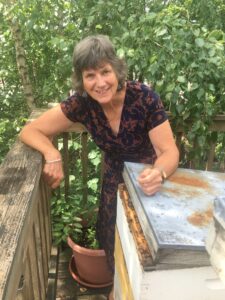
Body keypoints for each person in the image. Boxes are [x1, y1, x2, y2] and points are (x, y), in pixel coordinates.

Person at [20, 35, 179, 300]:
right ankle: (117, 292)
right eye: (90, 75)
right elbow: (31, 130)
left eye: (105, 71)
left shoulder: (144, 98)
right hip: (112, 187)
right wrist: (51, 153)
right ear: (81, 79)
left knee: (147, 256)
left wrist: (159, 172)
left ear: (117, 70)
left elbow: (169, 151)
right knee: (113, 245)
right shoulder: (82, 103)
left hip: (148, 187)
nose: (100, 82)